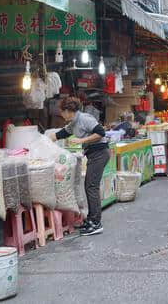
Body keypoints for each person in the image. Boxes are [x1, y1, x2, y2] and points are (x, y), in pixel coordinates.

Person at [49, 97, 108, 236]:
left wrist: (82, 140)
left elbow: (101, 132)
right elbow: (61, 134)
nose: (61, 115)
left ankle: (96, 223)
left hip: (100, 153)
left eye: (62, 112)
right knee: (89, 186)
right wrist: (43, 140)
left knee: (91, 186)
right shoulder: (72, 123)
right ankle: (91, 220)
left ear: (69, 111)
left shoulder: (84, 119)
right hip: (93, 154)